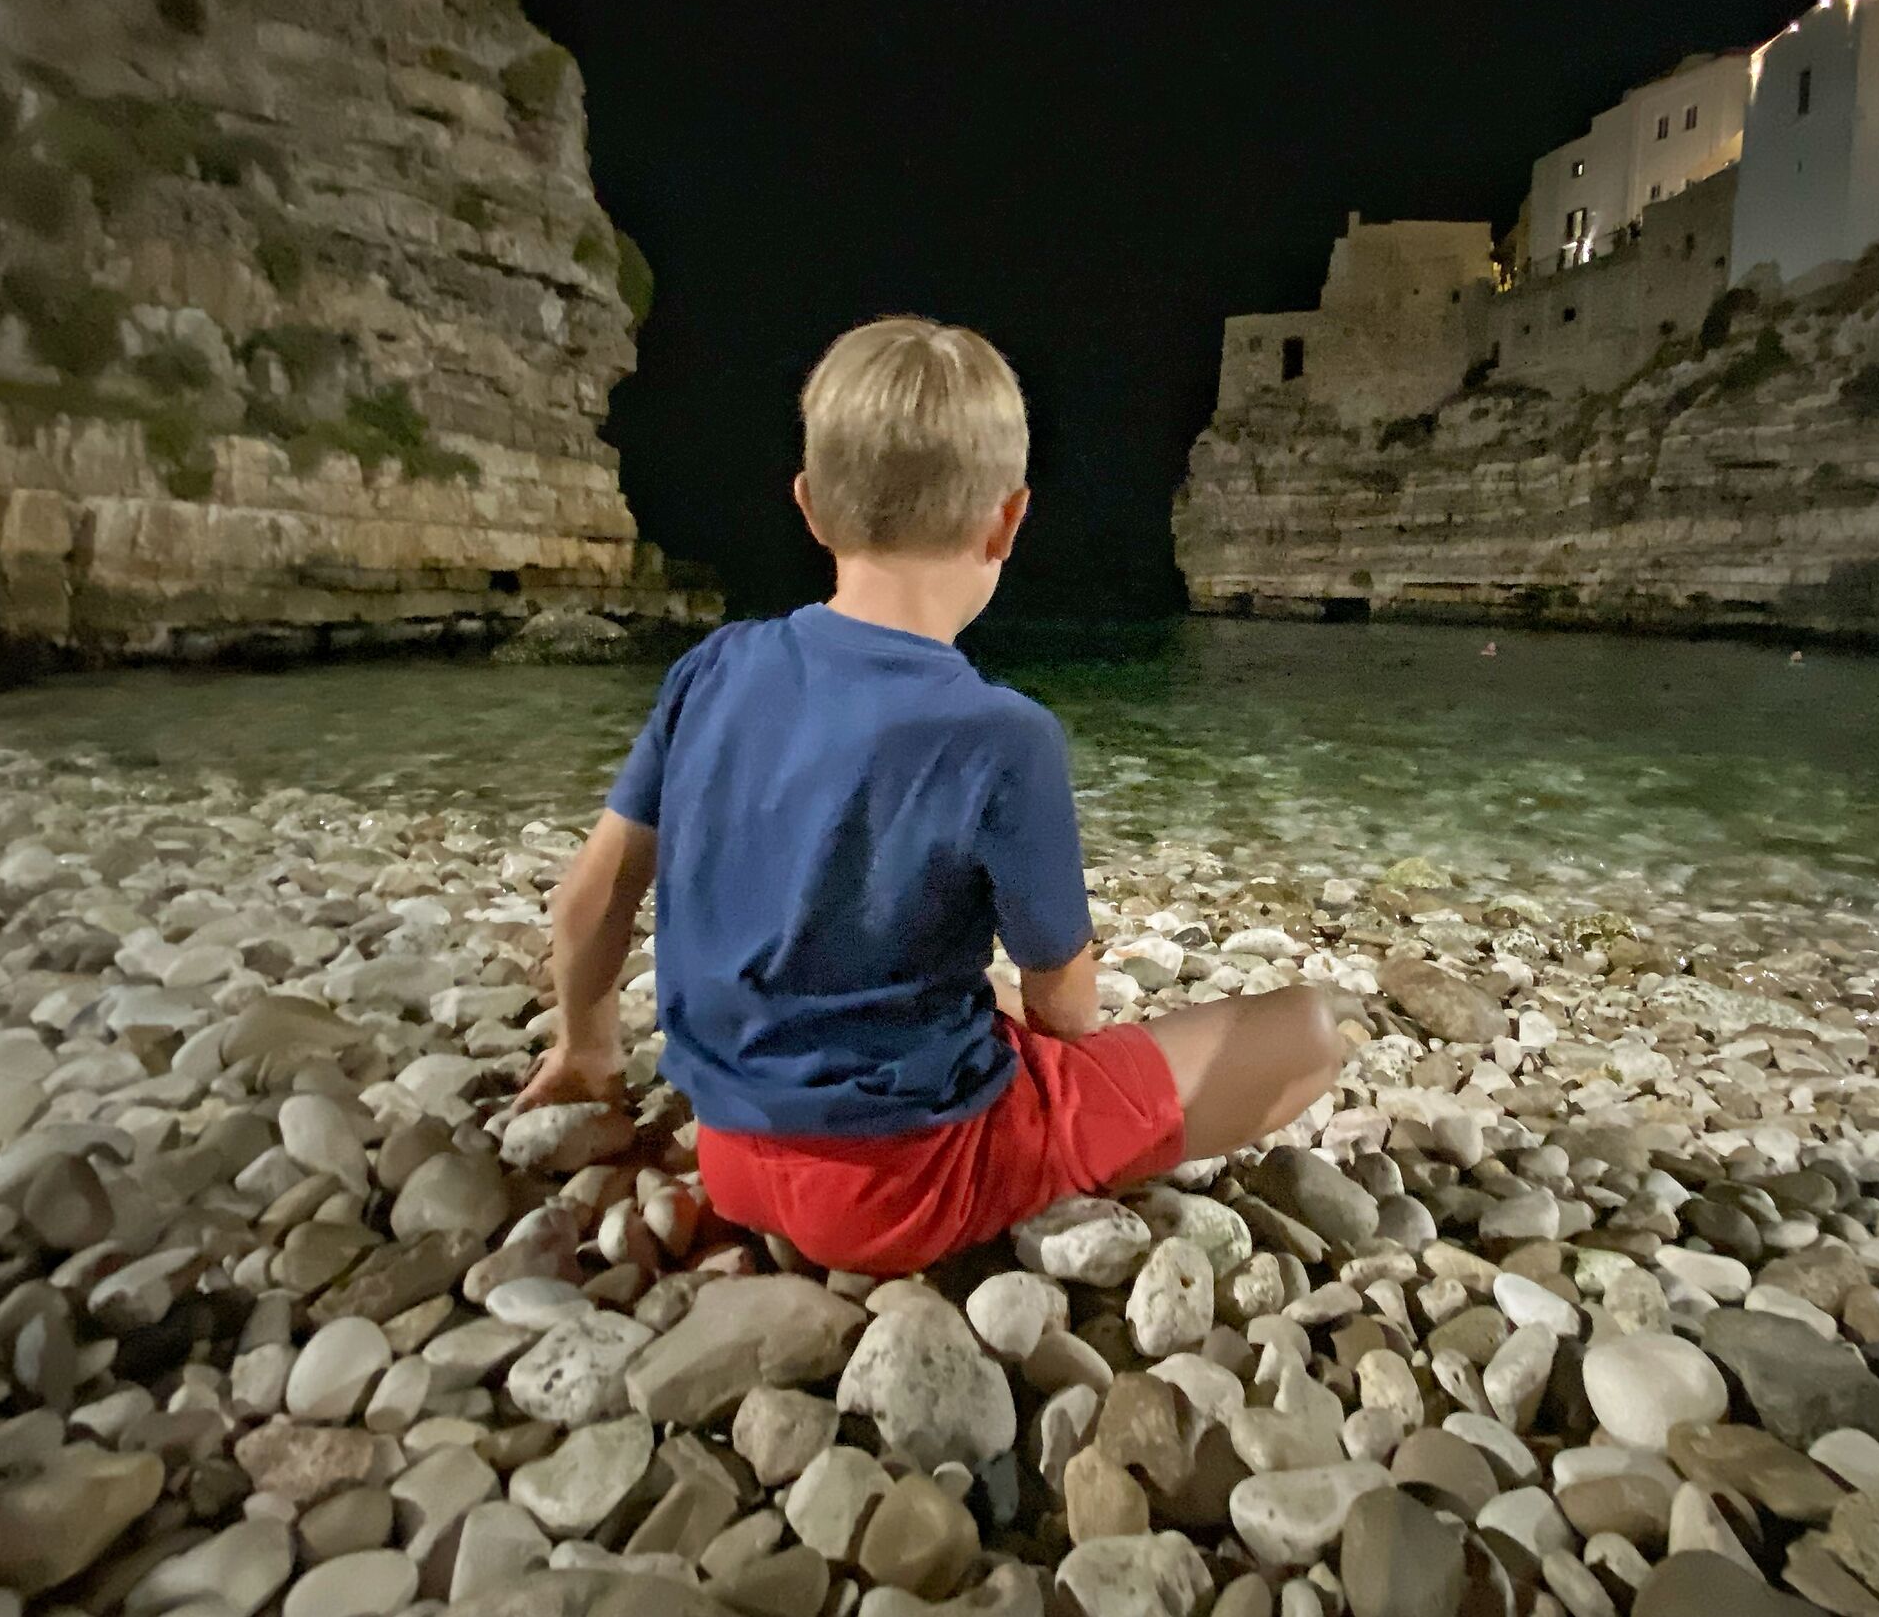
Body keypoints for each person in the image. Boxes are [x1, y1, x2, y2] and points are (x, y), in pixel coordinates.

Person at [515, 316, 1343, 1276]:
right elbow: (1064, 1009)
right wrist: (1073, 1082)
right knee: (1307, 1032)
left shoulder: (713, 669)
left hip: (732, 1151)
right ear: (1008, 519)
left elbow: (591, 900)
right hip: (904, 1186)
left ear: (811, 507)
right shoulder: (1004, 734)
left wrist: (586, 1050)